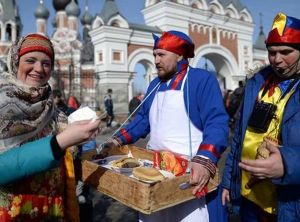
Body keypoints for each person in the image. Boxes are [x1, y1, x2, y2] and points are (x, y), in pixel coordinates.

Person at [105, 30, 229, 221]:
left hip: (190, 175)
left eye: (161, 54)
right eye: (154, 55)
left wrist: (205, 159)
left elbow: (217, 123)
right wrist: (116, 140)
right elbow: (142, 120)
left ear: (179, 55)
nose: (156, 60)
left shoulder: (201, 80)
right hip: (154, 173)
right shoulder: (154, 84)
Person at [0, 33, 102, 221]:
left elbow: (65, 160)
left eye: (46, 63)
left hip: (53, 210)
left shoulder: (54, 112)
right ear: (15, 62)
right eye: (30, 60)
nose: (39, 69)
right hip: (13, 213)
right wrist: (60, 142)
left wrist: (81, 139)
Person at [222, 12, 300, 222]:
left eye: (286, 52)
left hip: (289, 204)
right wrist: (229, 181)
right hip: (250, 199)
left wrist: (288, 164)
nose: (277, 60)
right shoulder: (257, 82)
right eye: (272, 52)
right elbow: (238, 139)